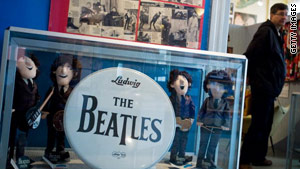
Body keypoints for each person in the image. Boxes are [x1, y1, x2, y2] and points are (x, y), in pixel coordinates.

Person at [239, 3, 288, 169]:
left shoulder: (276, 33)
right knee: (259, 124)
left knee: (265, 124)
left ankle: (258, 157)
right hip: (263, 86)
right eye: (281, 14)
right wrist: (251, 78)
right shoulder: (265, 31)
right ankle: (244, 160)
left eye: (286, 14)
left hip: (269, 87)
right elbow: (250, 54)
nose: (284, 17)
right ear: (272, 14)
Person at [43, 54, 81, 163]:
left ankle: (60, 150)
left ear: (74, 73)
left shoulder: (73, 91)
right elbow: (47, 101)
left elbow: (76, 104)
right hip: (52, 117)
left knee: (61, 135)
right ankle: (49, 150)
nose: (63, 70)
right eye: (60, 66)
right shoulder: (52, 89)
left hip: (65, 119)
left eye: (68, 67)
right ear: (54, 71)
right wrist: (45, 111)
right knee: (51, 135)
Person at [7, 49, 40, 168]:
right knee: (11, 138)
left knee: (22, 139)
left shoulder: (34, 83)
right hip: (16, 115)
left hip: (28, 117)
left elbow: (37, 96)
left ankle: (21, 159)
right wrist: (10, 107)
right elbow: (9, 94)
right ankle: (9, 158)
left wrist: (37, 107)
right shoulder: (15, 82)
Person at [195, 70, 232, 169]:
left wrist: (226, 125)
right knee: (203, 144)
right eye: (214, 85)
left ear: (225, 89)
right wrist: (199, 120)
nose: (217, 89)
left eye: (221, 86)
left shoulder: (225, 103)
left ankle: (209, 161)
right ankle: (199, 162)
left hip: (218, 127)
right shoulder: (207, 100)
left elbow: (227, 115)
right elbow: (201, 111)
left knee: (213, 145)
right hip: (205, 125)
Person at [167, 69, 195, 166]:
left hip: (185, 125)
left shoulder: (189, 99)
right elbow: (167, 112)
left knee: (184, 141)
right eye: (178, 80)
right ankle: (173, 157)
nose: (182, 81)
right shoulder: (171, 99)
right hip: (175, 125)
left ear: (189, 84)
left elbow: (192, 111)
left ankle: (181, 156)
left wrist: (190, 121)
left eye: (184, 79)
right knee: (176, 141)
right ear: (172, 84)